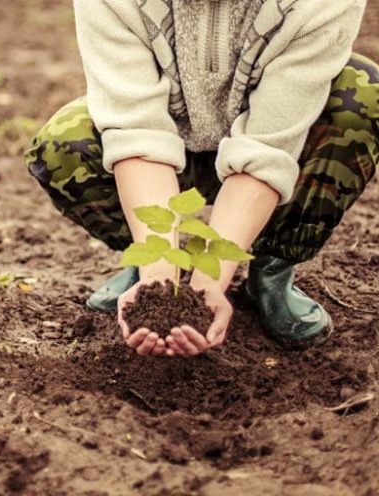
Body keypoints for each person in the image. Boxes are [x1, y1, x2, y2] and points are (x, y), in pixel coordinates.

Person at [25, 0, 379, 357]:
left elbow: (268, 150)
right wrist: (158, 286)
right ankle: (142, 256)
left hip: (279, 147)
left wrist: (209, 284)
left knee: (360, 98)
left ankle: (272, 267)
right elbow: (136, 132)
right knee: (64, 144)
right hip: (171, 143)